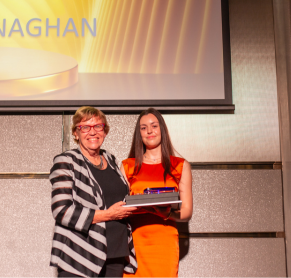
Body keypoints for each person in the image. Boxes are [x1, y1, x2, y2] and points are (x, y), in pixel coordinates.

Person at [49, 106, 137, 277]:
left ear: (105, 131)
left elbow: (121, 200)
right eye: (85, 127)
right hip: (80, 256)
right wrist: (108, 215)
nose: (92, 132)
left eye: (98, 126)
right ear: (76, 133)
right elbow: (62, 210)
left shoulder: (111, 160)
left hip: (116, 253)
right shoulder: (66, 161)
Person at [121, 108, 193, 277]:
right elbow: (120, 207)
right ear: (139, 133)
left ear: (162, 129)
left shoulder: (181, 165)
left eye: (154, 126)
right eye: (143, 128)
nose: (149, 131)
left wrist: (166, 212)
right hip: (135, 240)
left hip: (165, 240)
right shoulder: (127, 166)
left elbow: (187, 212)